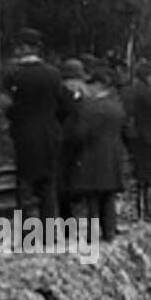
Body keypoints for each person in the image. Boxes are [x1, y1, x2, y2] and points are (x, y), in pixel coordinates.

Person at [2, 27, 70, 224]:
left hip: (24, 136)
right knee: (47, 185)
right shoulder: (54, 74)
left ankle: (27, 236)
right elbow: (65, 106)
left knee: (25, 185)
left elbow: (10, 107)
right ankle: (49, 235)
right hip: (50, 134)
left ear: (23, 48)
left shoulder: (14, 75)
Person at [68, 65, 127, 243]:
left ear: (98, 85)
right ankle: (109, 233)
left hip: (92, 157)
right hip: (113, 158)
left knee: (92, 199)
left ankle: (92, 236)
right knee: (108, 197)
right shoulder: (117, 107)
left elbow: (79, 134)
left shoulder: (90, 108)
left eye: (91, 84)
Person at [123, 62, 151, 222]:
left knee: (140, 178)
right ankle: (150, 211)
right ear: (148, 77)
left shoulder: (129, 92)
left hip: (135, 139)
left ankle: (139, 211)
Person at [56, 58, 89, 219]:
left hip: (71, 141)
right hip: (76, 142)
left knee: (67, 180)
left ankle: (70, 216)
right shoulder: (84, 94)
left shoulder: (65, 93)